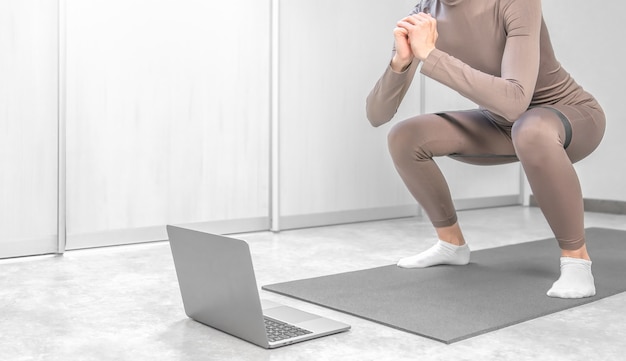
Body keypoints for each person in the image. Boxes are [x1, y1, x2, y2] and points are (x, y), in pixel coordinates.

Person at [366, 0, 605, 299]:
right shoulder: (423, 14)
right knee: (404, 136)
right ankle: (451, 245)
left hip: (569, 117)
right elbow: (377, 115)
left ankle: (577, 262)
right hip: (503, 126)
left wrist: (431, 56)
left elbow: (515, 100)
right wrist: (400, 64)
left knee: (530, 129)